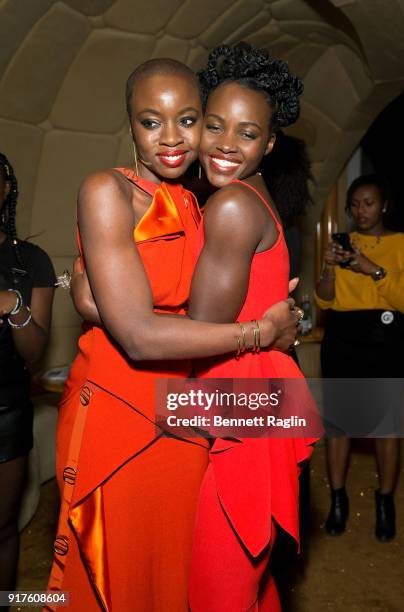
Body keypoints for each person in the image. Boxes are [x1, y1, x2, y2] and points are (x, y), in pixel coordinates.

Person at [46, 58, 301, 612]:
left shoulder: (194, 200)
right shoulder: (106, 190)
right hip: (119, 416)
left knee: (177, 581)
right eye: (150, 121)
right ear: (130, 124)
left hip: (185, 420)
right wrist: (262, 329)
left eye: (187, 120)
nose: (171, 138)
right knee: (111, 579)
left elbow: (195, 305)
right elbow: (137, 336)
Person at [181, 42, 318, 611]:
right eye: (214, 126)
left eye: (246, 133)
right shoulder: (256, 197)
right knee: (249, 582)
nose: (226, 145)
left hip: (233, 400)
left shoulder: (231, 206)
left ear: (269, 142)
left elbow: (200, 331)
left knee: (219, 587)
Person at [315, 174, 404, 541]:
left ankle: (386, 502)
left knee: (387, 427)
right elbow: (323, 300)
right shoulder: (342, 243)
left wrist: (375, 270)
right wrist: (329, 267)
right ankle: (338, 500)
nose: (360, 210)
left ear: (383, 205)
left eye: (368, 203)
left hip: (387, 338)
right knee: (339, 427)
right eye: (354, 204)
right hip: (343, 339)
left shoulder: (401, 244)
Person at [0, 153, 55, 594]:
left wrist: (13, 307)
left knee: (2, 528)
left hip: (5, 412)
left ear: (6, 191)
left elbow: (34, 352)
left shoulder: (29, 261)